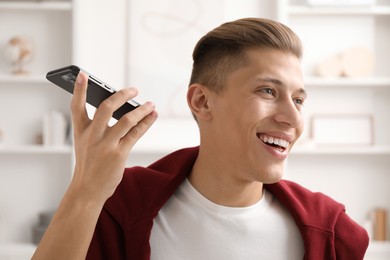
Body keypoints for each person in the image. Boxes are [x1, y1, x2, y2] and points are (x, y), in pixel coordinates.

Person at [32, 17, 369, 260]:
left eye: (298, 100)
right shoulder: (119, 206)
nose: (293, 119)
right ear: (202, 102)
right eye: (268, 91)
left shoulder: (332, 232)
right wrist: (86, 191)